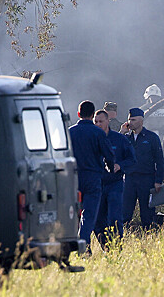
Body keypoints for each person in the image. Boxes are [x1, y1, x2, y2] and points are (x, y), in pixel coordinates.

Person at [68, 100, 115, 247]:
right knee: (89, 214)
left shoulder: (69, 132)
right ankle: (84, 245)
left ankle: (74, 243)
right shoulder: (98, 133)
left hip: (73, 178)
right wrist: (111, 169)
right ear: (92, 114)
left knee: (72, 214)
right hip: (93, 178)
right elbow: (109, 155)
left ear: (78, 113)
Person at [93, 109, 135, 245]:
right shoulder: (92, 139)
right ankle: (106, 247)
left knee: (115, 218)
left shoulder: (119, 139)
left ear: (107, 121)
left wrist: (120, 166)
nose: (98, 124)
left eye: (101, 121)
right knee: (98, 220)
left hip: (115, 184)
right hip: (97, 184)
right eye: (96, 121)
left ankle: (117, 247)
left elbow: (132, 160)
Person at [122, 107, 164, 228]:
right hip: (129, 179)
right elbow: (115, 151)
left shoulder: (151, 138)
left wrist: (158, 181)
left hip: (146, 179)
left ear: (141, 121)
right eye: (129, 119)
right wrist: (122, 132)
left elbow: (160, 160)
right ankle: (124, 237)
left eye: (133, 119)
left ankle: (149, 236)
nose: (130, 122)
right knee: (125, 212)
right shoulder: (125, 138)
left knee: (147, 214)